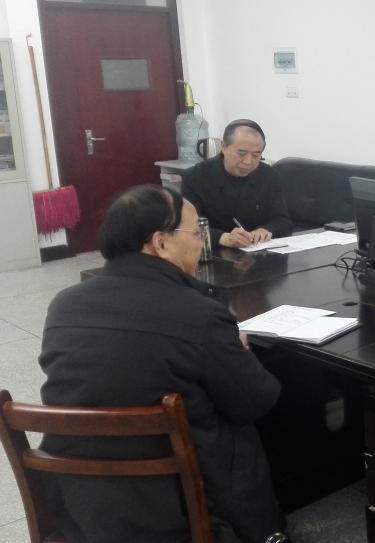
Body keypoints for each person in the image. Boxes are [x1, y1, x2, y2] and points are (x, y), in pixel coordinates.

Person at [39, 185, 288, 543]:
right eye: (195, 233)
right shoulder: (198, 315)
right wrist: (240, 350)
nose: (201, 243)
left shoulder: (63, 305)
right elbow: (257, 400)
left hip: (80, 503)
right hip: (177, 509)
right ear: (161, 243)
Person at [182, 119, 293, 248]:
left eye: (256, 155)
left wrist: (267, 230)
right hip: (213, 252)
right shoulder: (195, 177)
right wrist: (222, 238)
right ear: (223, 147)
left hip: (257, 250)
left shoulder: (269, 176)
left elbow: (283, 221)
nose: (248, 162)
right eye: (241, 153)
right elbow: (187, 228)